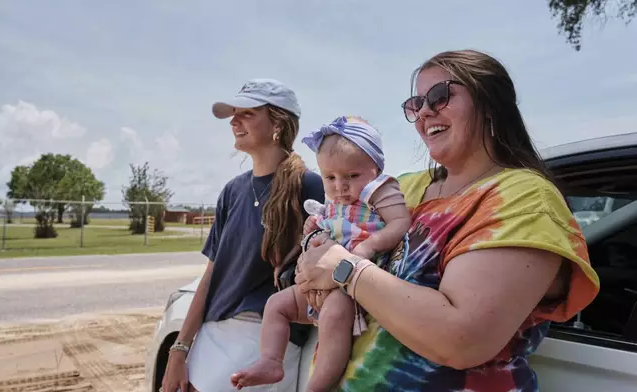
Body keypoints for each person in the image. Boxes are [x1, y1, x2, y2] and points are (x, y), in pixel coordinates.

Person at [294, 49, 601, 391]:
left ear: (490, 103)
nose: (425, 111)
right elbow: (329, 246)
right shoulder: (401, 188)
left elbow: (461, 338)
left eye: (440, 97)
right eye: (416, 103)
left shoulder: (525, 197)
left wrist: (345, 269)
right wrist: (311, 259)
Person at [161, 78, 325, 392]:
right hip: (212, 334)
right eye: (233, 113)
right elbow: (212, 275)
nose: (234, 120)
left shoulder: (309, 186)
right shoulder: (232, 192)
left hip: (266, 343)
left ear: (278, 122)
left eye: (247, 113)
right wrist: (179, 349)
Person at [230, 116, 411, 391]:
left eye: (352, 176)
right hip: (319, 282)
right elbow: (325, 228)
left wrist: (371, 245)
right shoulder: (335, 201)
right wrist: (313, 228)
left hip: (353, 286)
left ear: (375, 168)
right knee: (276, 304)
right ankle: (270, 360)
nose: (340, 186)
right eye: (330, 177)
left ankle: (318, 385)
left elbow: (400, 222)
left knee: (334, 317)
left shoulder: (379, 190)